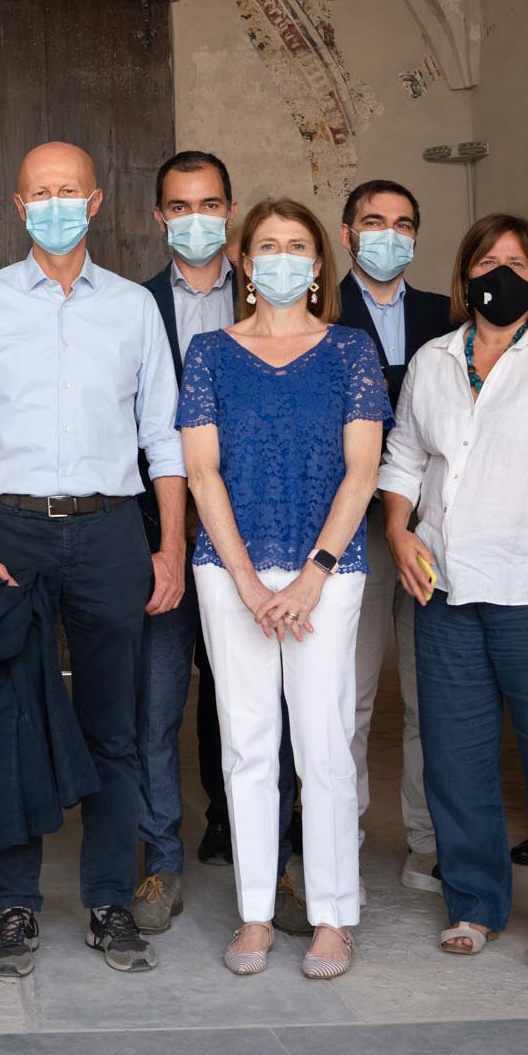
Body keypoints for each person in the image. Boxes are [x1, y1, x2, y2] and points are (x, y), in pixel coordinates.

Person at [0, 141, 186, 977]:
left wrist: (170, 545)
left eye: (68, 190)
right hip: (11, 529)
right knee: (9, 719)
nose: (54, 204)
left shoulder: (132, 307)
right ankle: (14, 903)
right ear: (20, 207)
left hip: (111, 530)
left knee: (114, 725)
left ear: (95, 201)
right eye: (39, 192)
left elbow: (164, 437)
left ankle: (109, 898)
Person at [379, 213, 528, 972]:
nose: (501, 274)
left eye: (516, 263)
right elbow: (403, 458)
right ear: (465, 276)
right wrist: (399, 532)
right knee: (456, 763)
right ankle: (474, 903)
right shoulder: (433, 360)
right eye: (487, 262)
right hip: (446, 593)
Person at [180, 197, 388, 980]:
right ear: (243, 260)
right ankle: (256, 912)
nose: (281, 258)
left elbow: (362, 471)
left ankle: (333, 915)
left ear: (318, 263)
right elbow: (202, 472)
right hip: (229, 568)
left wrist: (312, 575)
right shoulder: (208, 352)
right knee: (247, 743)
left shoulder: (351, 351)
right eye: (267, 245)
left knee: (324, 742)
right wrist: (244, 579)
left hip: (325, 573)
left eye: (297, 245)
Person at [130, 150, 243, 936]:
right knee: (157, 701)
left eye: (208, 204)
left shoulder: (271, 291)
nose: (195, 218)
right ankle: (158, 855)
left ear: (229, 210)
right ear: (159, 216)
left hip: (254, 533)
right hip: (160, 532)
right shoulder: (133, 305)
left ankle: (255, 842)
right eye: (179, 206)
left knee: (253, 701)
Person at [337, 179, 451, 894]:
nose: (389, 234)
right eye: (374, 221)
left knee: (430, 693)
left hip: (431, 527)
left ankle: (428, 841)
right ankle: (339, 832)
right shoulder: (321, 310)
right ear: (346, 233)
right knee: (347, 693)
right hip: (352, 528)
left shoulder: (447, 314)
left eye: (403, 223)